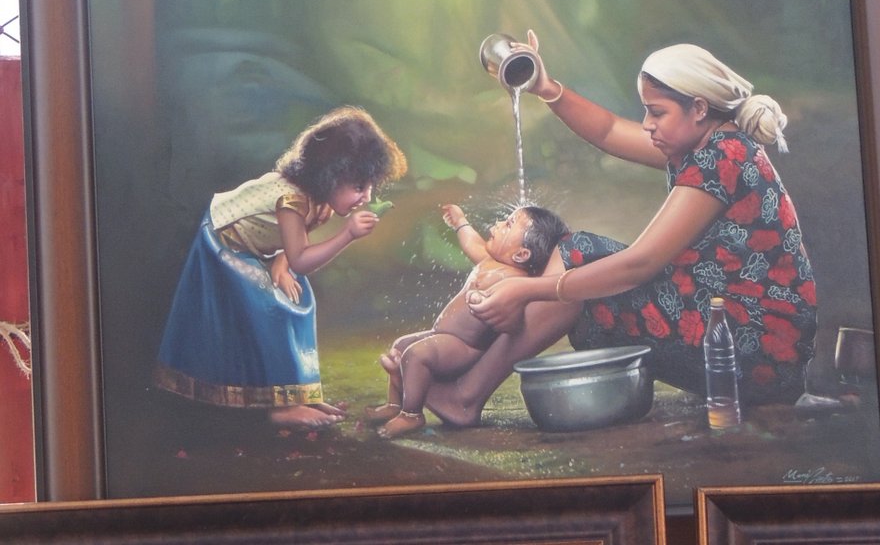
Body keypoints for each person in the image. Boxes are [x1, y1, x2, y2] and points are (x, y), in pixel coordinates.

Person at [425, 31, 816, 425]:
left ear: (698, 108)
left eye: (657, 112)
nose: (647, 124)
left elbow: (640, 264)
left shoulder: (723, 157)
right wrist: (546, 88)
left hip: (756, 353)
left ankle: (465, 394)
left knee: (576, 255)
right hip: (727, 325)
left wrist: (526, 290)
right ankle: (462, 379)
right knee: (575, 263)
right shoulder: (702, 144)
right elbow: (609, 130)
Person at [154, 106, 407, 429]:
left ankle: (299, 394)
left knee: (300, 301)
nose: (367, 197)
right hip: (222, 245)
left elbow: (293, 246)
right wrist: (348, 235)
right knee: (273, 308)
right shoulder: (292, 200)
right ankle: (282, 407)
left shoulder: (321, 201)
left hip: (259, 249)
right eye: (359, 187)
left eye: (370, 186)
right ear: (329, 177)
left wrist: (281, 263)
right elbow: (301, 256)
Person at [366, 201, 568, 439]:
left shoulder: (515, 280)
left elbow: (513, 322)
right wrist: (460, 222)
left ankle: (411, 414)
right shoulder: (489, 261)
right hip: (443, 335)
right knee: (401, 345)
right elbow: (472, 243)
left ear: (521, 254)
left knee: (415, 355)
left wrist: (484, 301)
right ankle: (394, 404)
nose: (498, 223)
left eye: (508, 224)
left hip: (464, 346)